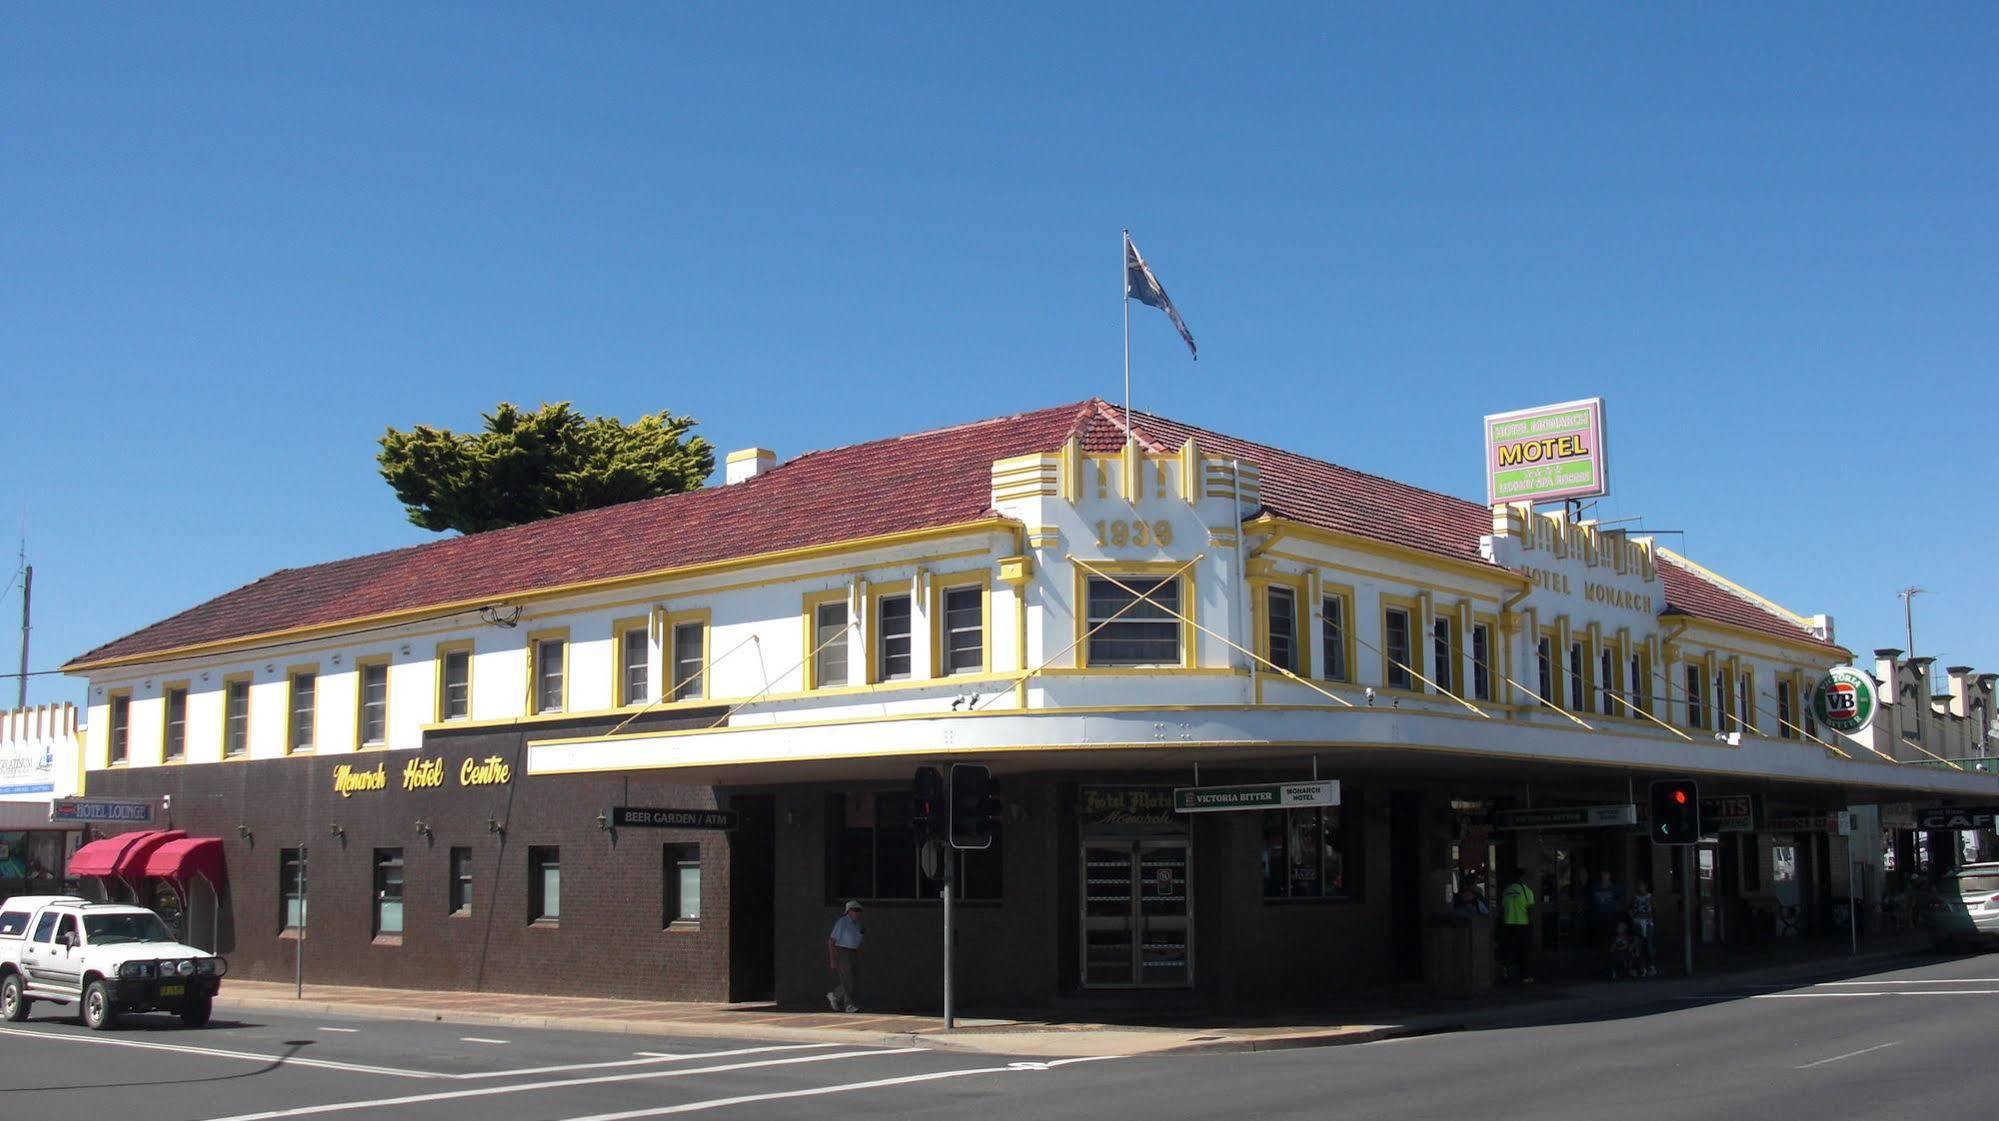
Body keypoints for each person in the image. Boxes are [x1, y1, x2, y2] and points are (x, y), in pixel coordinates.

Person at [826, 901, 865, 1012]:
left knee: (852, 978)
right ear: (848, 911)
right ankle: (849, 1005)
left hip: (853, 952)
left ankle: (835, 995)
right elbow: (831, 941)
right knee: (847, 978)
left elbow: (858, 939)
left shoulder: (857, 924)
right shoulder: (842, 922)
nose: (858, 913)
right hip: (842, 951)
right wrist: (832, 958)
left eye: (859, 910)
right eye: (855, 910)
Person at [1499, 868, 1537, 983]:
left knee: (1509, 948)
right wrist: (1531, 922)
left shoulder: (1507, 890)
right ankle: (1525, 976)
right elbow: (1530, 908)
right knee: (1524, 951)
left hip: (1508, 923)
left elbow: (1503, 907)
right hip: (1522, 924)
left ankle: (1505, 969)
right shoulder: (1526, 891)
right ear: (1522, 878)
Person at [1588, 870, 1625, 946]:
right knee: (1599, 933)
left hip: (1611, 915)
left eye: (1606, 874)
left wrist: (1613, 908)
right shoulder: (1596, 888)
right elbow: (1592, 900)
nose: (1604, 876)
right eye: (1603, 875)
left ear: (1609, 876)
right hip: (1598, 914)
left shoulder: (1615, 888)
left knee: (1610, 933)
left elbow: (1620, 900)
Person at [1629, 880, 1657, 977]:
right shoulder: (1635, 898)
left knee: (1649, 945)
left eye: (1642, 886)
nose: (1641, 888)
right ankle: (1641, 967)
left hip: (1648, 922)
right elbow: (1631, 909)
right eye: (1639, 886)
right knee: (1638, 946)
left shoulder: (1650, 897)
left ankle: (1651, 966)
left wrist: (1648, 917)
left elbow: (1653, 910)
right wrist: (1633, 917)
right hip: (1637, 922)